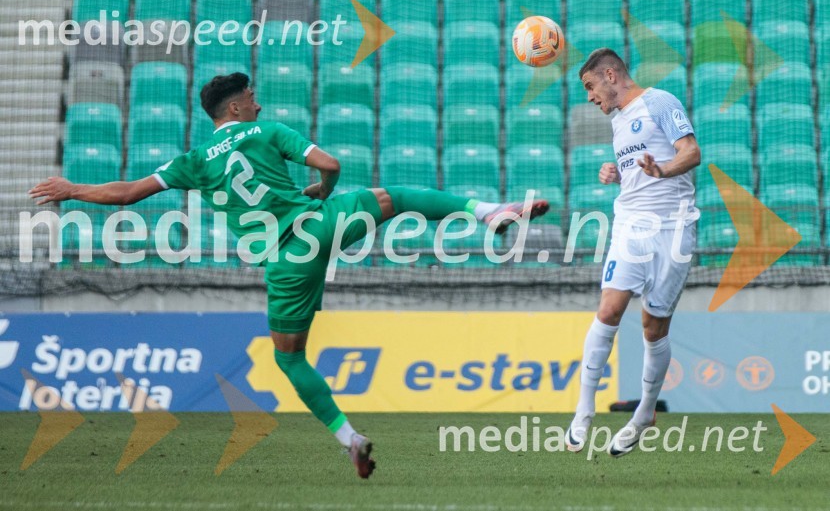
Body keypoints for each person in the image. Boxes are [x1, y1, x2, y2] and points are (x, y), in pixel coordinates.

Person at [29, 72, 550, 478]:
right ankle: (486, 211)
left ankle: (349, 440)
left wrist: (72, 189)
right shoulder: (266, 130)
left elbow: (127, 195)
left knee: (289, 357)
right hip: (320, 223)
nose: (259, 103)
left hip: (285, 260)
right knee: (394, 198)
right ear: (235, 107)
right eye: (252, 97)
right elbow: (330, 164)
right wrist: (323, 190)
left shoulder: (192, 161)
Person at [564, 49, 701, 457]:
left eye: (591, 86)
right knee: (608, 309)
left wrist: (663, 170)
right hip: (631, 225)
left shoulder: (660, 102)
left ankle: (644, 413)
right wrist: (616, 172)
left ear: (610, 75)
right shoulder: (619, 121)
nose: (590, 96)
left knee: (653, 328)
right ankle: (583, 408)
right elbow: (636, 168)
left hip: (674, 228)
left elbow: (690, 152)